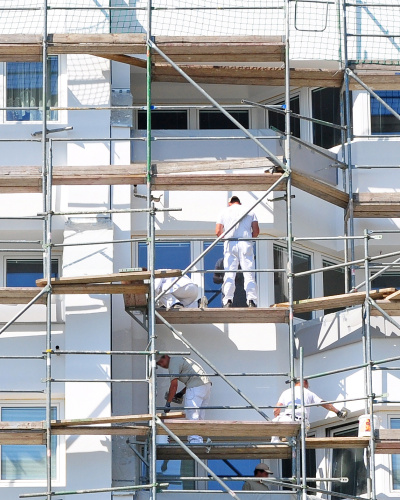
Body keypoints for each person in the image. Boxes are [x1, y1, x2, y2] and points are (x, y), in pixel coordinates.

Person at [156, 354, 212, 444]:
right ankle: (199, 441)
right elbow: (192, 379)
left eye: (161, 362)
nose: (162, 365)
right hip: (206, 386)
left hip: (197, 387)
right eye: (159, 364)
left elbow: (174, 385)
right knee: (200, 416)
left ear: (166, 357)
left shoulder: (172, 363)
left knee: (192, 415)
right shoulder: (180, 359)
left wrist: (168, 403)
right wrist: (181, 393)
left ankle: (194, 442)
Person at [215, 196, 259, 308]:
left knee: (229, 273)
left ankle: (228, 301)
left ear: (230, 203)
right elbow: (256, 231)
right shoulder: (250, 211)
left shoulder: (224, 212)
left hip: (230, 243)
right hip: (245, 243)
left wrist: (225, 238)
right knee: (249, 273)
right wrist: (249, 237)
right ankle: (251, 301)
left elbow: (218, 231)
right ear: (239, 202)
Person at [273, 379, 348, 435]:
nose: (307, 387)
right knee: (300, 444)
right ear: (304, 382)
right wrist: (338, 412)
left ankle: (275, 440)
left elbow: (276, 409)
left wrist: (277, 417)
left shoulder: (286, 392)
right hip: (301, 423)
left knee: (276, 422)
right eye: (307, 386)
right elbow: (324, 403)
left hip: (287, 421)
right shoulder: (308, 392)